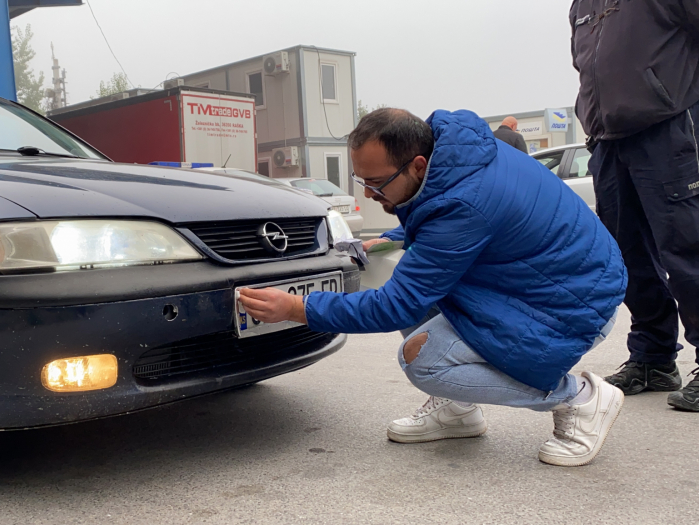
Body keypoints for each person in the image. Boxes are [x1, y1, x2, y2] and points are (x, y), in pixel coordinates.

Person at [237, 108, 628, 466]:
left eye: (376, 183)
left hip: (571, 303)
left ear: (418, 164)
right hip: (549, 281)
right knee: (415, 282)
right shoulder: (457, 154)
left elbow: (396, 306)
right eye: (361, 180)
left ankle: (581, 398)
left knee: (421, 360)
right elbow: (447, 217)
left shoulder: (463, 205)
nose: (368, 194)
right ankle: (459, 408)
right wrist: (395, 236)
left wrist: (296, 309)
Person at [570, 1, 699, 411]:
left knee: (687, 248)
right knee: (624, 258)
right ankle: (653, 357)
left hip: (669, 129)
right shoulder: (581, 5)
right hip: (608, 141)